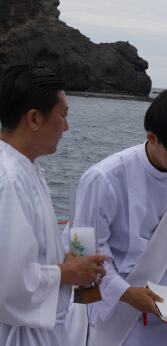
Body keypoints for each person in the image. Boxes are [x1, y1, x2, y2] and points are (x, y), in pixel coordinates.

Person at [70, 86, 167, 346]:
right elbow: (83, 250)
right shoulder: (103, 178)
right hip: (114, 304)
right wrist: (125, 293)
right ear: (152, 137)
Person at [0, 65, 106, 345]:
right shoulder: (10, 178)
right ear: (34, 119)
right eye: (63, 116)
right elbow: (8, 282)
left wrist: (69, 265)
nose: (66, 127)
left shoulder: (24, 169)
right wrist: (69, 272)